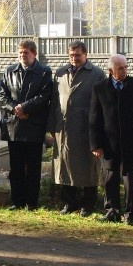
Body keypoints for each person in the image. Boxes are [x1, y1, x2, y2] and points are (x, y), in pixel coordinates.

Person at [89, 54, 133, 224]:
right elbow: (94, 118)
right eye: (120, 68)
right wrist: (95, 144)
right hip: (109, 143)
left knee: (130, 180)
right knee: (110, 178)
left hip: (131, 142)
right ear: (111, 71)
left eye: (125, 67)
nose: (124, 71)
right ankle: (112, 211)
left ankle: (131, 214)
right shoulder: (100, 88)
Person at [50, 40, 105, 216]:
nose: (74, 58)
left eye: (78, 55)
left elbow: (102, 104)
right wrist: (52, 126)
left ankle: (87, 204)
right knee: (65, 165)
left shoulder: (96, 74)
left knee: (88, 167)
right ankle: (69, 202)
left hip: (86, 128)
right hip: (64, 127)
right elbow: (54, 102)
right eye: (71, 55)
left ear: (86, 54)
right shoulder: (60, 73)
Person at [0, 39, 53, 211]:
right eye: (20, 52)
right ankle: (17, 201)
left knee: (33, 168)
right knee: (16, 168)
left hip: (34, 127)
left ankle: (32, 202)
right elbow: (1, 95)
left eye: (26, 53)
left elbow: (45, 96)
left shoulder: (44, 72)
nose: (23, 55)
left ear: (34, 54)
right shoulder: (9, 71)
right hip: (14, 127)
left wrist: (25, 107)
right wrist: (15, 109)